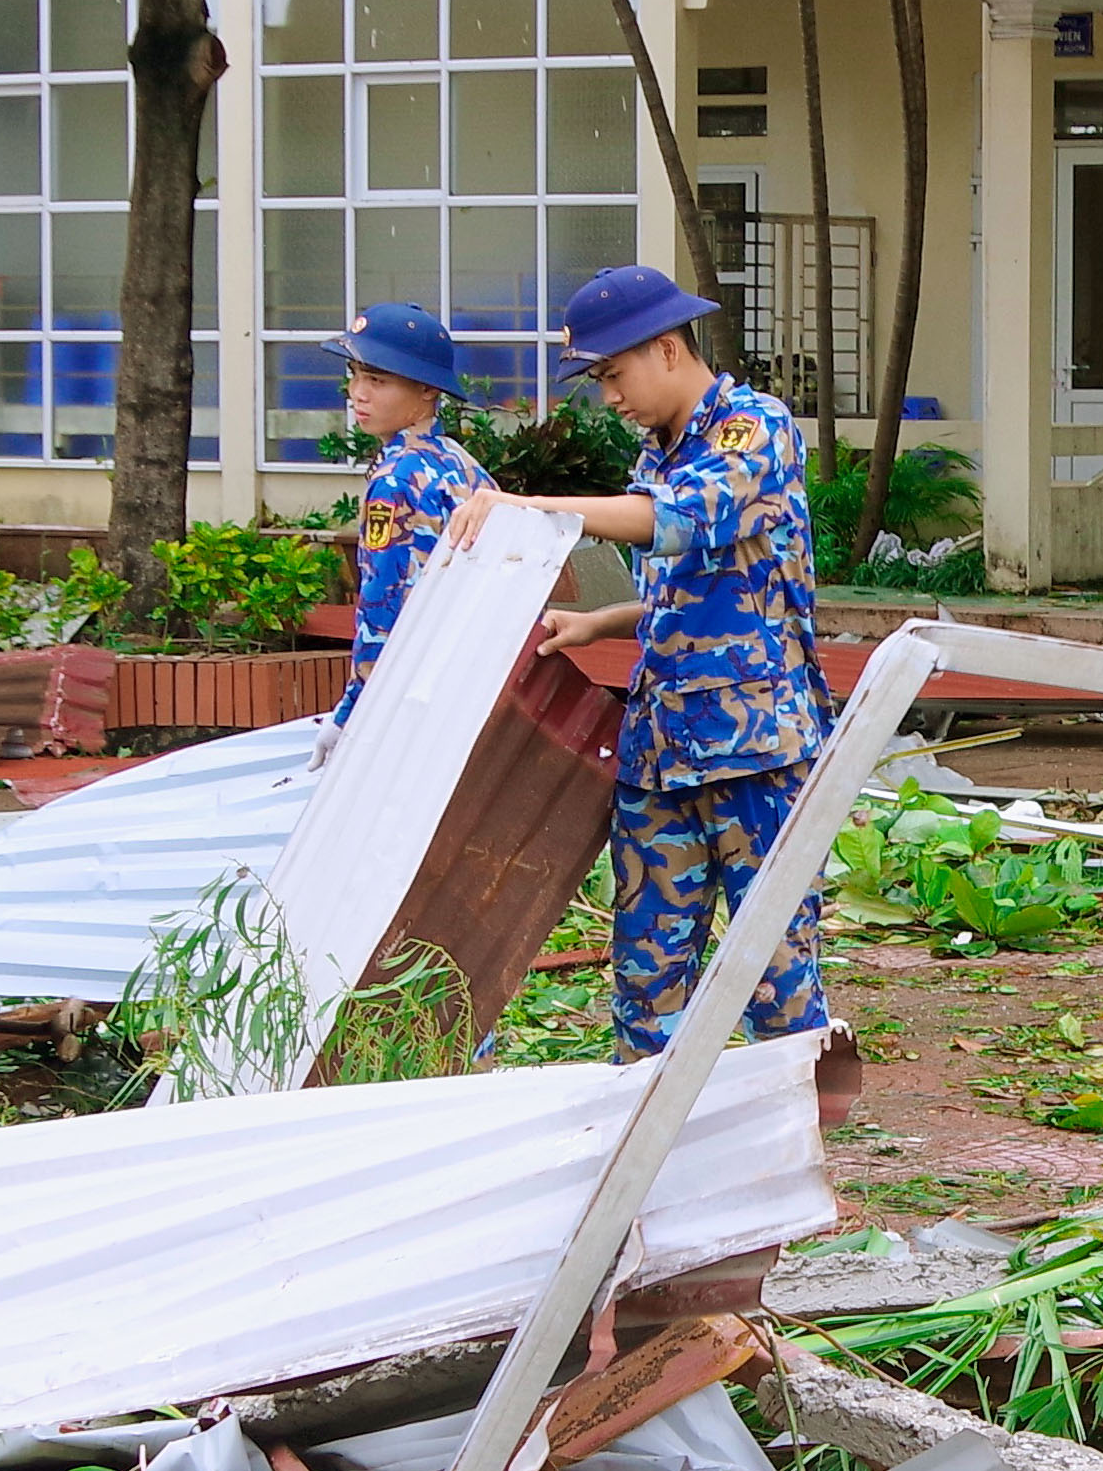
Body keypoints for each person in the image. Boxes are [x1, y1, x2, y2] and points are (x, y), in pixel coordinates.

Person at [442, 261, 835, 1061]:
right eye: (597, 380)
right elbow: (698, 581)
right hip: (659, 756)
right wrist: (603, 623)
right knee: (645, 979)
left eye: (614, 374)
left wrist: (528, 508)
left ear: (665, 348)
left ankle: (792, 1158)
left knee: (775, 979)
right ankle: (643, 1162)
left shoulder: (752, 429)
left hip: (755, 754)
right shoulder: (659, 452)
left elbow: (681, 522)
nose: (609, 396)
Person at [323, 302, 490, 703]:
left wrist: (353, 710)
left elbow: (382, 605)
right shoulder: (459, 462)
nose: (358, 394)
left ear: (428, 388)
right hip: (470, 678)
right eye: (356, 375)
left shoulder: (396, 481)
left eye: (378, 380)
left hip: (414, 694)